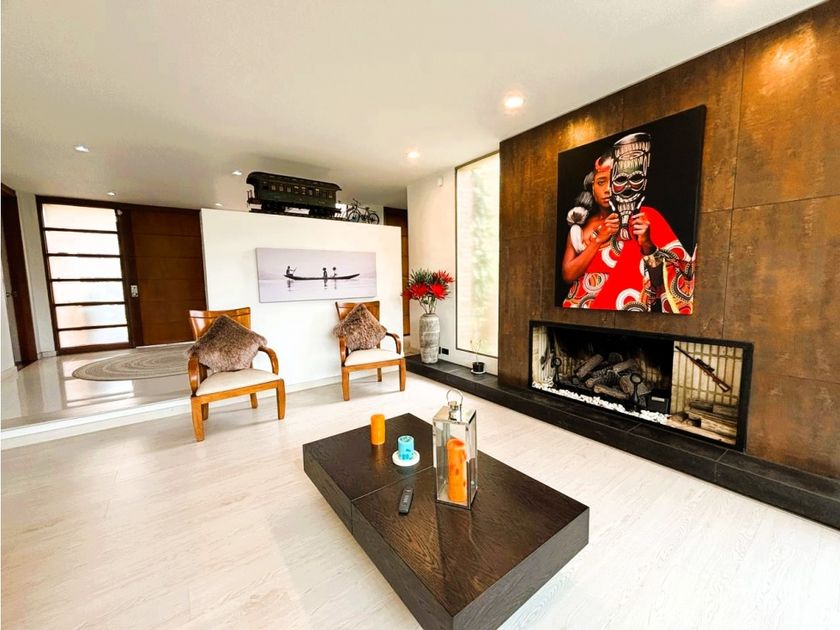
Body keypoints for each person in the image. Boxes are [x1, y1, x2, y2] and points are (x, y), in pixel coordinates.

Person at [561, 133, 695, 313]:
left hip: (626, 317)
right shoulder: (581, 226)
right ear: (592, 187)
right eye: (601, 182)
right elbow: (568, 275)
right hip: (576, 314)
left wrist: (647, 245)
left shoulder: (645, 218)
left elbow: (660, 281)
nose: (608, 189)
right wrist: (598, 240)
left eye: (615, 181)